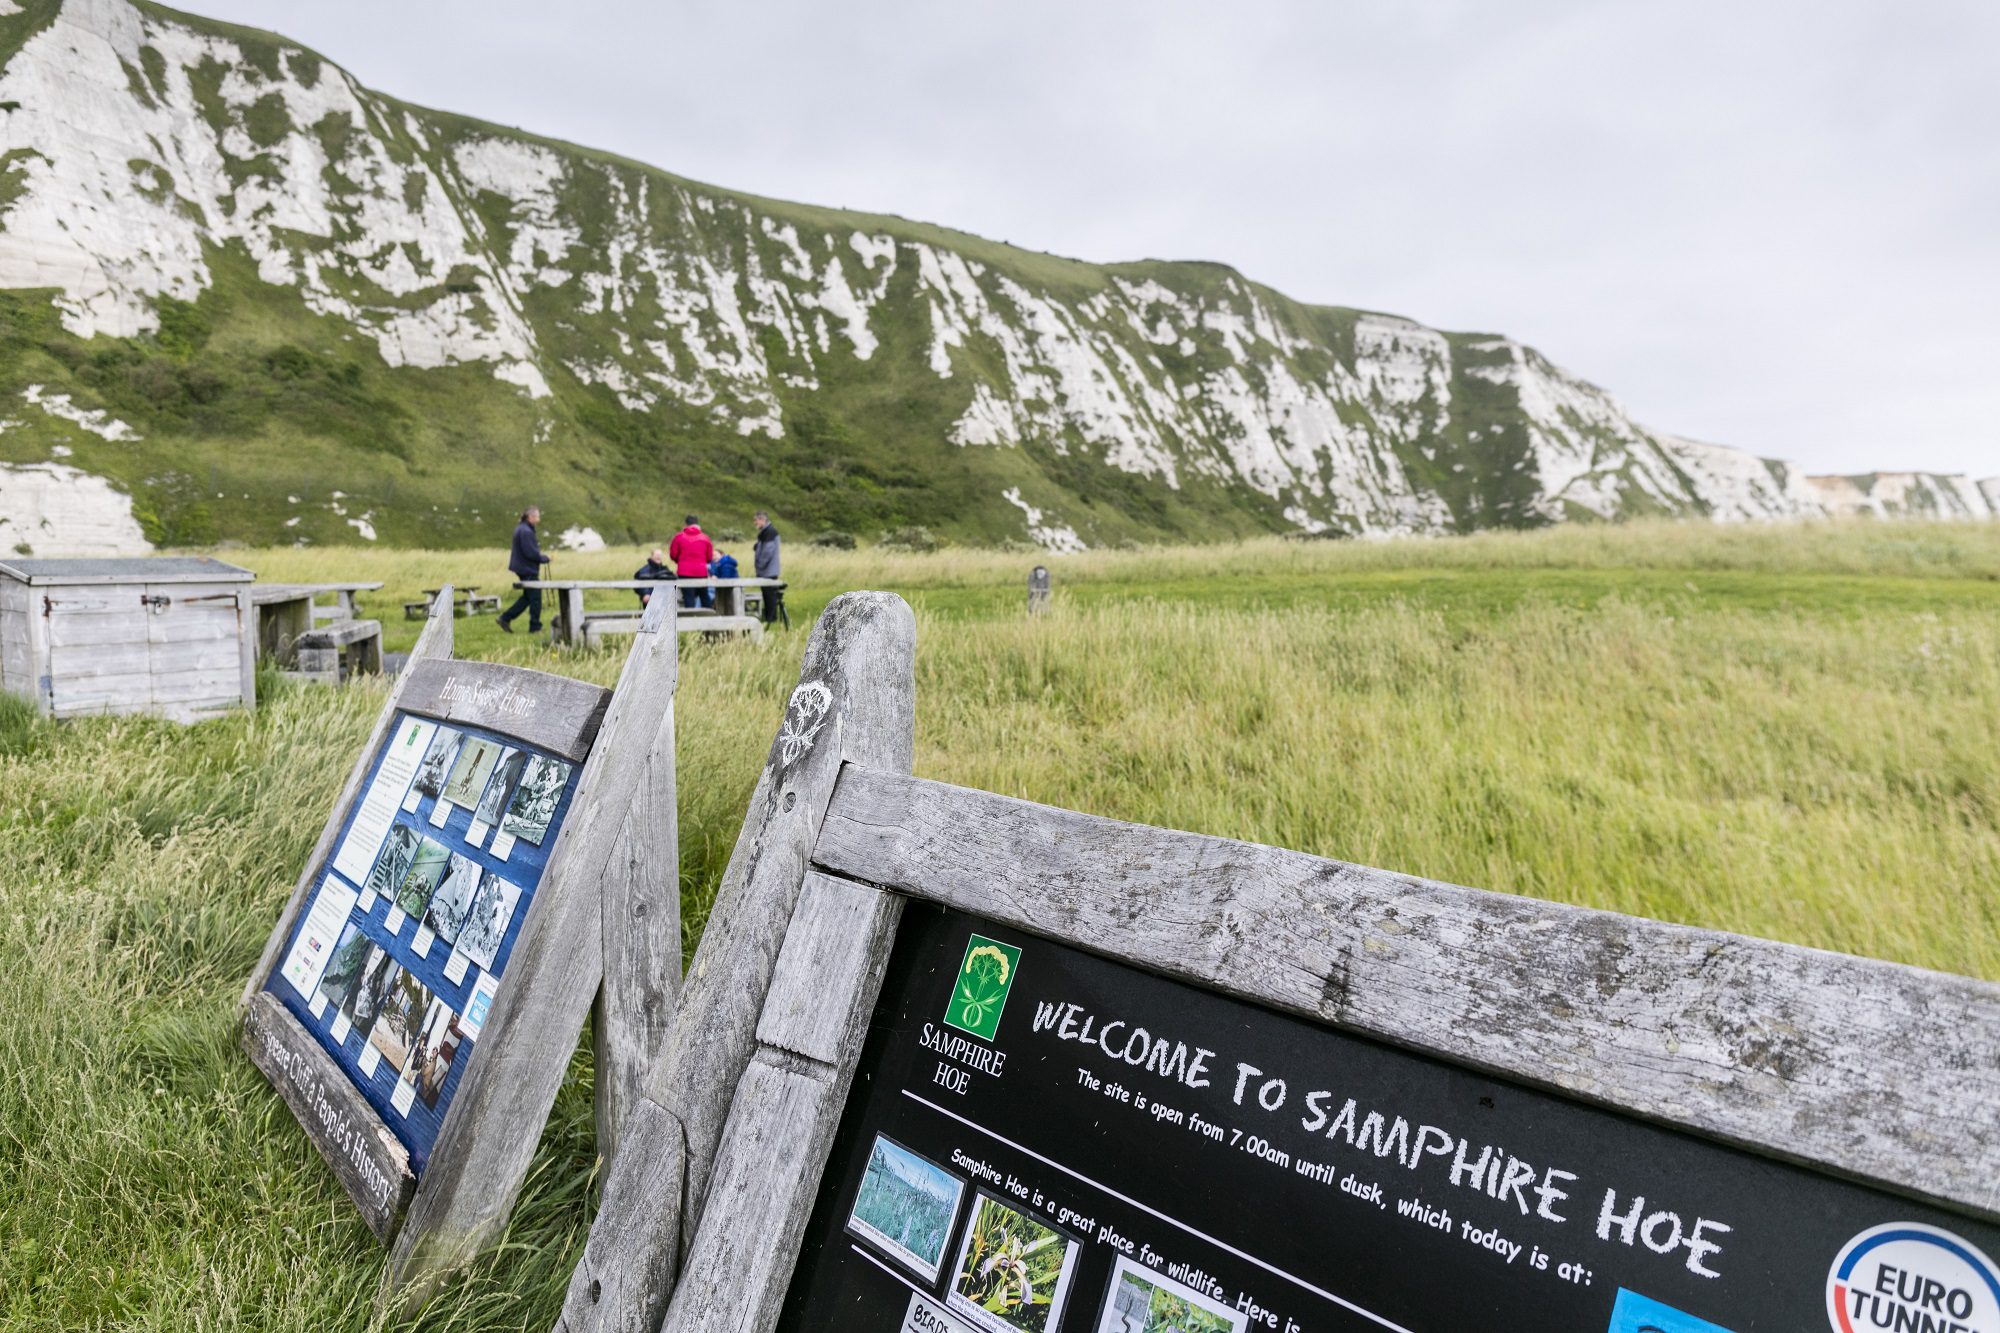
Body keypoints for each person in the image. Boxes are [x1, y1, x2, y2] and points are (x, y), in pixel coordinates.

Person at [498, 506, 550, 633]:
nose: (539, 519)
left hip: (523, 568)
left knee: (528, 597)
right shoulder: (526, 531)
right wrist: (544, 558)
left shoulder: (522, 528)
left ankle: (505, 618)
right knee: (536, 598)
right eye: (537, 516)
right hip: (527, 569)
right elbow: (530, 553)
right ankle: (535, 627)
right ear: (530, 517)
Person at [667, 514, 714, 610]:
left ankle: (690, 620)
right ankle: (709, 619)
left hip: (684, 572)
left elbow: (673, 555)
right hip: (701, 572)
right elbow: (709, 558)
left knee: (689, 598)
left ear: (685, 524)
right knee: (704, 596)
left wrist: (680, 561)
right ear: (697, 524)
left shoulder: (679, 537)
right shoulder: (705, 538)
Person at [752, 511, 783, 625]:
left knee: (769, 594)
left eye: (756, 520)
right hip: (767, 570)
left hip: (768, 570)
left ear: (762, 520)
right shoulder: (766, 532)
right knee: (767, 594)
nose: (755, 523)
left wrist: (760, 565)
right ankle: (769, 616)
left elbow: (768, 552)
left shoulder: (769, 532)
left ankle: (771, 617)